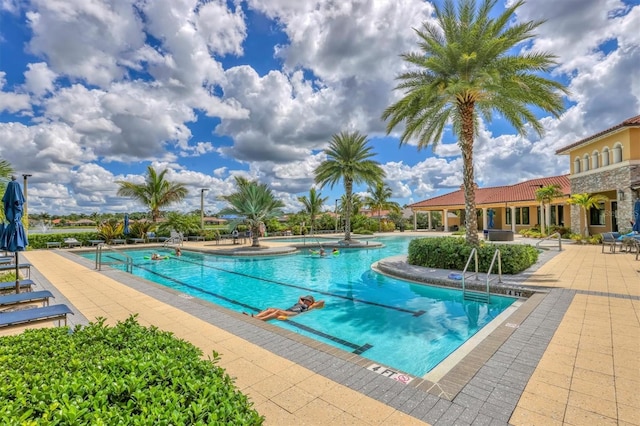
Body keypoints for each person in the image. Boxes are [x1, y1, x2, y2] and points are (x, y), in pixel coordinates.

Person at [251, 295, 324, 321]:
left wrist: (313, 302)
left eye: (308, 300)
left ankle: (260, 319)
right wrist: (304, 299)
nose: (305, 301)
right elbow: (300, 297)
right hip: (287, 310)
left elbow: (322, 301)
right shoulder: (300, 303)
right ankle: (255, 316)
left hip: (293, 313)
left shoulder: (310, 306)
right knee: (270, 309)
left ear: (311, 302)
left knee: (277, 312)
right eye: (305, 299)